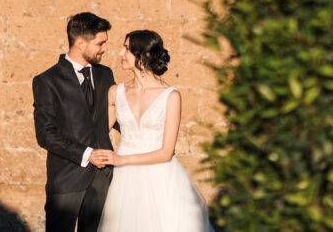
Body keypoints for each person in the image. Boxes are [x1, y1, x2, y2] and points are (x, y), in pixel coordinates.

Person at [97, 30, 214, 232]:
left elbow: (166, 152)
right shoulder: (116, 92)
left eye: (126, 48)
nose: (120, 53)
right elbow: (96, 131)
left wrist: (121, 159)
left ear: (144, 55)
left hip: (161, 176)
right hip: (125, 181)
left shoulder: (171, 96)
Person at [32, 12, 117, 232]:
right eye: (101, 43)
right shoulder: (47, 81)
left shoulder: (105, 74)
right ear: (80, 43)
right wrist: (88, 154)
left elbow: (117, 116)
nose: (105, 49)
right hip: (66, 179)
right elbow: (45, 134)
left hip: (102, 178)